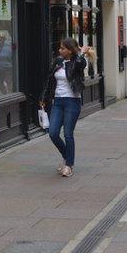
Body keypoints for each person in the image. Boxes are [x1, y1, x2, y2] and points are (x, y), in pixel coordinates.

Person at [40, 38, 89, 177]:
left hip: (72, 101)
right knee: (53, 133)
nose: (60, 50)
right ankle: (67, 156)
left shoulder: (78, 61)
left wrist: (82, 53)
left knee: (68, 134)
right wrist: (43, 98)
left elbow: (79, 65)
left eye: (63, 48)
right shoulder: (58, 62)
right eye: (60, 48)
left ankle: (68, 165)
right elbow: (49, 80)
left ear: (70, 50)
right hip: (58, 102)